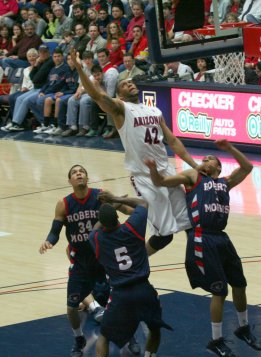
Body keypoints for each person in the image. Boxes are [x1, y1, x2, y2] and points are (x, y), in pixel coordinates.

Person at [71, 48, 198, 256]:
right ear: (119, 94)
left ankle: (200, 262)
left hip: (167, 172)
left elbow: (173, 140)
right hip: (145, 176)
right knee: (164, 236)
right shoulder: (121, 109)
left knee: (190, 225)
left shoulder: (154, 111)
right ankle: (135, 263)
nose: (129, 84)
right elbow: (96, 94)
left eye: (131, 82)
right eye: (124, 84)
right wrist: (80, 68)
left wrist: (194, 167)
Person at [145, 139, 261, 357]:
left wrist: (229, 149)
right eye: (204, 158)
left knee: (240, 284)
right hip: (202, 238)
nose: (205, 160)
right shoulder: (193, 176)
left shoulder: (225, 182)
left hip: (221, 237)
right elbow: (161, 181)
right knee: (219, 291)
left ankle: (243, 327)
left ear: (218, 167)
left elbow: (247, 167)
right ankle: (216, 340)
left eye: (210, 159)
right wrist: (153, 170)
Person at [38, 164, 140, 357]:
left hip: (102, 257)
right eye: (75, 172)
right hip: (81, 262)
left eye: (82, 172)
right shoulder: (64, 204)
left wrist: (137, 211)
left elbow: (124, 209)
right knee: (71, 306)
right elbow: (55, 231)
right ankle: (78, 339)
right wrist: (48, 241)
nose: (79, 174)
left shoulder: (100, 195)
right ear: (70, 181)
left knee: (120, 300)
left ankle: (129, 335)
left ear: (87, 178)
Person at [89, 192, 173, 357]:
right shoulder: (132, 228)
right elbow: (143, 202)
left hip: (120, 294)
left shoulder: (96, 239)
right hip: (143, 290)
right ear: (119, 218)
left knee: (104, 335)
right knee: (154, 329)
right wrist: (116, 200)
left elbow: (95, 230)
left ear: (102, 225)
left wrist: (102, 216)